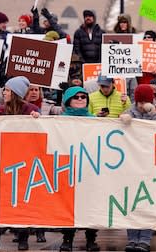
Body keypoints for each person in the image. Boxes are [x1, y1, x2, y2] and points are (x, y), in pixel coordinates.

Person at [0, 76, 39, 251]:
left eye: (7, 90)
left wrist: (37, 119)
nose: (4, 92)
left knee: (22, 200)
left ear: (14, 93)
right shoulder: (0, 110)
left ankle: (23, 238)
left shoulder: (31, 109)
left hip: (24, 162)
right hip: (3, 159)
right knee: (1, 200)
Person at [120, 84, 156, 252]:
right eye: (139, 102)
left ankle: (145, 240)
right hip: (132, 166)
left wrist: (152, 114)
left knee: (148, 203)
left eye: (144, 102)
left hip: (151, 166)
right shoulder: (129, 111)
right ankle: (132, 239)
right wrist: (124, 119)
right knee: (132, 202)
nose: (141, 105)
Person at [58, 86, 99, 251]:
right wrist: (36, 118)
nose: (81, 99)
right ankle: (67, 240)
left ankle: (91, 239)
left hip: (90, 169)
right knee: (68, 208)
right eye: (77, 97)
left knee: (90, 206)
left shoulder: (95, 120)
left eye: (84, 97)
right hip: (69, 169)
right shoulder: (59, 121)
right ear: (68, 101)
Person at [73, 10, 104, 80]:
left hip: (98, 65)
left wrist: (99, 62)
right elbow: (77, 49)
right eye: (86, 16)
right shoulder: (78, 32)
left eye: (90, 16)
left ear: (94, 18)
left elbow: (103, 49)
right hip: (84, 65)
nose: (88, 18)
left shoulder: (101, 32)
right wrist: (83, 62)